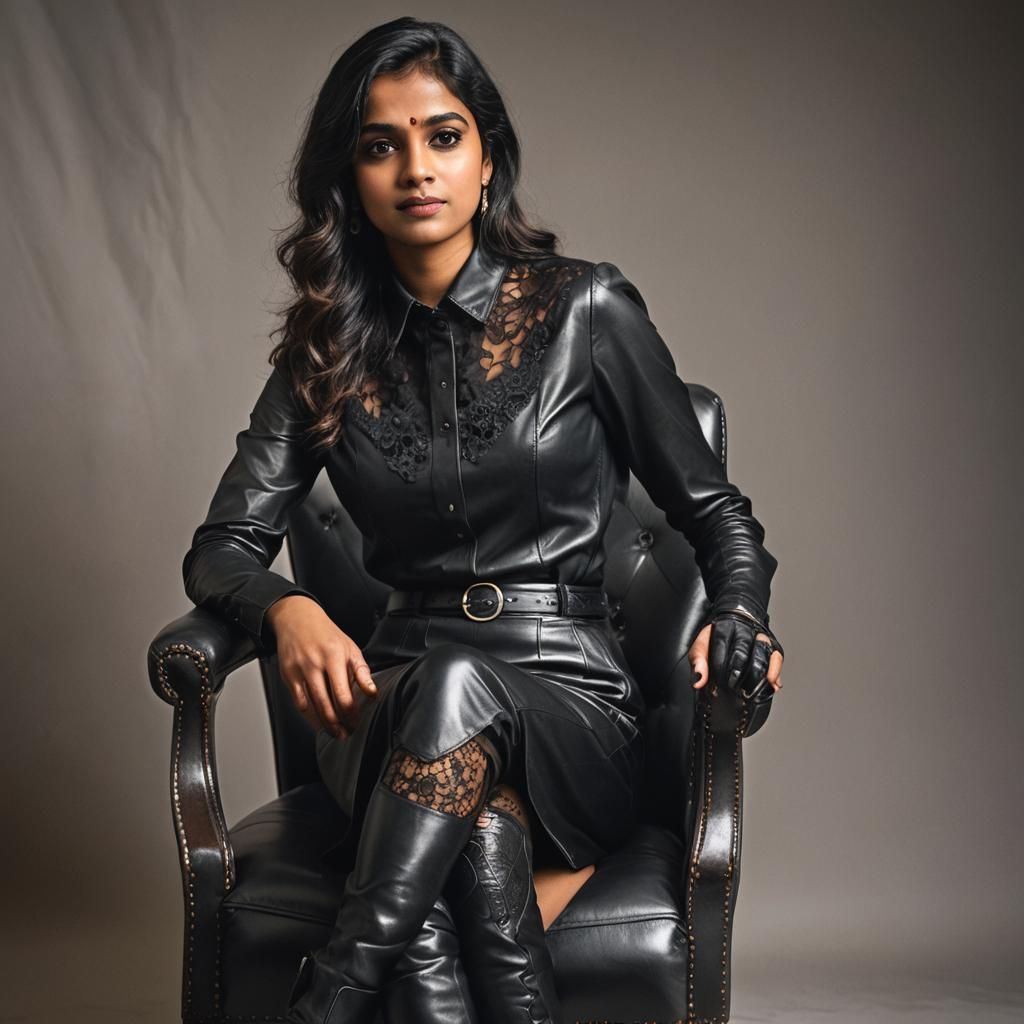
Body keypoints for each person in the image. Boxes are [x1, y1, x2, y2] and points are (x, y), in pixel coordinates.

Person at [181, 16, 785, 1024]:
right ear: (349, 176)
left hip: (569, 706)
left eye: (443, 135)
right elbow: (221, 548)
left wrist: (742, 615)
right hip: (386, 703)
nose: (416, 167)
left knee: (453, 735)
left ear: (486, 156)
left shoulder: (585, 309)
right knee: (475, 827)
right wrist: (283, 608)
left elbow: (718, 514)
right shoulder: (323, 353)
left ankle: (329, 997)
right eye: (381, 144)